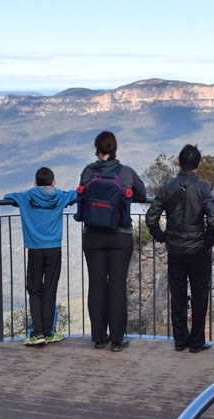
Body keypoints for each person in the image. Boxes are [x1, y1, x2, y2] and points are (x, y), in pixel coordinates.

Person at [146, 144, 214, 353]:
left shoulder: (167, 187)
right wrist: (207, 242)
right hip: (198, 250)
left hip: (175, 249)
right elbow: (213, 219)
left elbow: (151, 217)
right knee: (199, 295)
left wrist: (162, 238)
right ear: (198, 165)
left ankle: (180, 340)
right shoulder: (203, 188)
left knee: (177, 295)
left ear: (178, 163)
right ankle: (196, 342)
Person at [78, 131, 147, 352]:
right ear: (115, 148)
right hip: (121, 236)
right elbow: (143, 194)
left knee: (96, 285)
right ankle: (117, 340)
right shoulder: (126, 172)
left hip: (93, 236)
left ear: (97, 148)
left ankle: (99, 338)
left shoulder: (88, 172)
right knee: (117, 286)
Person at [4, 167, 77, 346]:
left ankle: (37, 333)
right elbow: (75, 194)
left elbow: (8, 197)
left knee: (34, 290)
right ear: (54, 182)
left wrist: (22, 196)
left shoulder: (27, 196)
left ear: (35, 183)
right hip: (54, 249)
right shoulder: (60, 195)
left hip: (35, 249)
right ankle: (48, 332)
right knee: (50, 290)